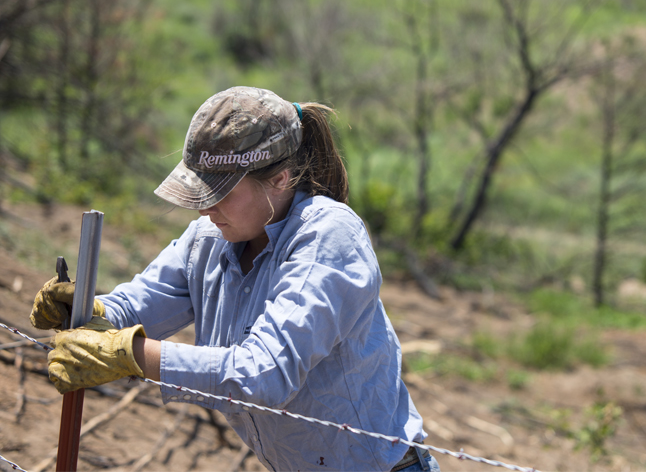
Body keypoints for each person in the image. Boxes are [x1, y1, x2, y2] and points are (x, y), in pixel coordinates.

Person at [30, 86, 440, 472]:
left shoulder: (328, 236)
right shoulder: (210, 238)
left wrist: (129, 355)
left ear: (279, 179)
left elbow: (262, 375)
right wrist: (88, 309)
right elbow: (139, 303)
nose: (206, 208)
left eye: (220, 193)